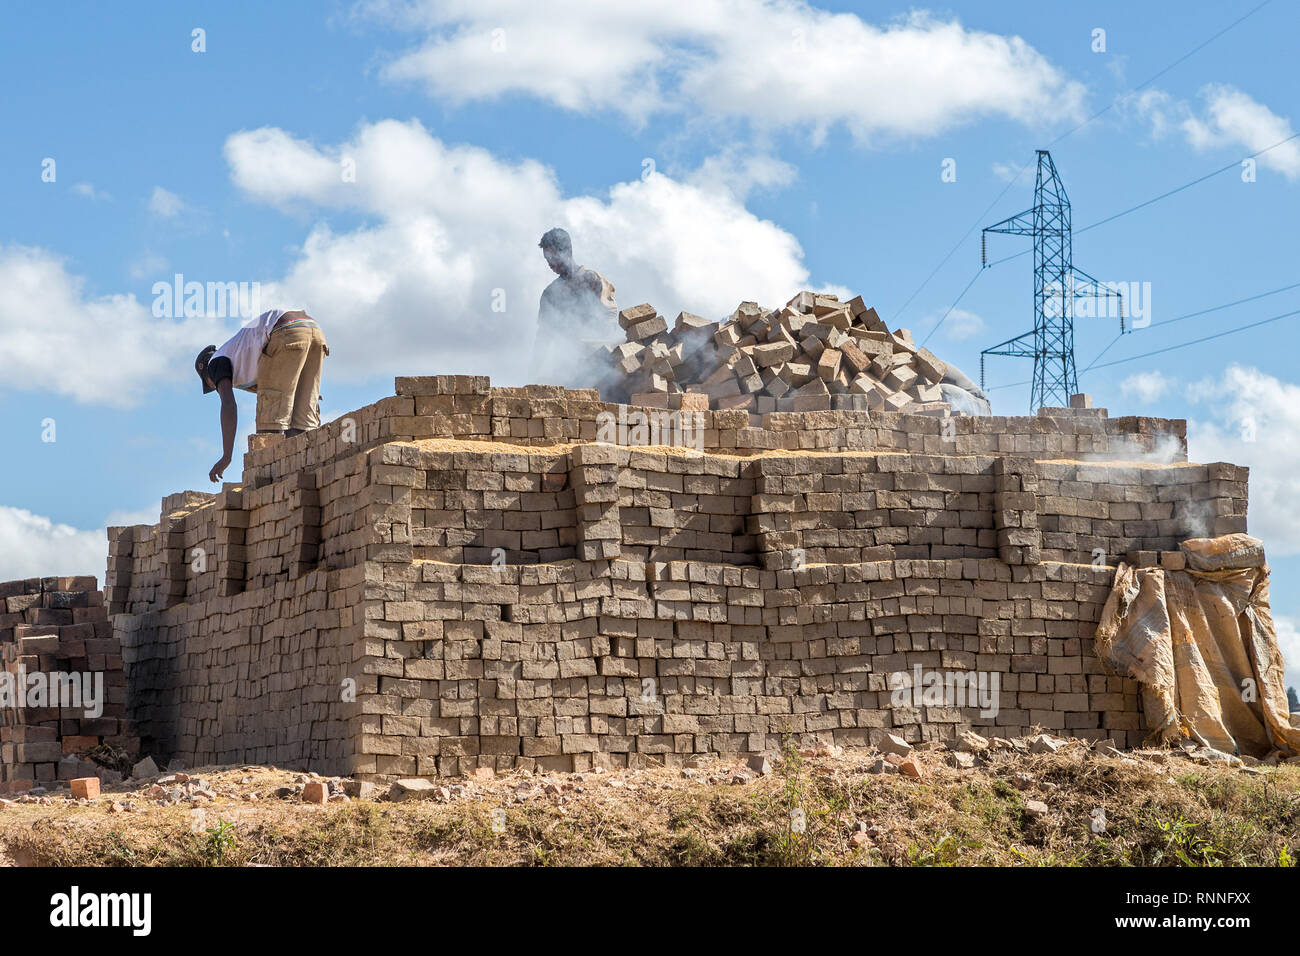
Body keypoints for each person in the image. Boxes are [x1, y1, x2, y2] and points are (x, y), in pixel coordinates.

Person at [195, 309, 328, 483]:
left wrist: (226, 456)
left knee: (270, 426)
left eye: (211, 384)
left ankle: (272, 487)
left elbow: (229, 405)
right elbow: (283, 387)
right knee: (302, 426)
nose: (216, 387)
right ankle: (302, 481)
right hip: (314, 332)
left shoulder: (216, 362)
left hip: (284, 331)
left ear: (207, 373)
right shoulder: (244, 360)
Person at [533, 227, 618, 387]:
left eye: (553, 256)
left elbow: (610, 322)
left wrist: (587, 343)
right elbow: (543, 337)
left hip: (598, 367)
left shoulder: (593, 280)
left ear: (569, 251)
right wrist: (533, 371)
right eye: (546, 259)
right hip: (567, 367)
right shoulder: (550, 294)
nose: (550, 263)